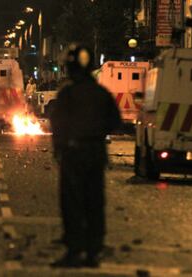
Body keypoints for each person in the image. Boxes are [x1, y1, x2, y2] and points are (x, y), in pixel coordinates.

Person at [49, 44, 122, 268]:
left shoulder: (68, 94)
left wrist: (60, 149)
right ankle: (93, 250)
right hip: (96, 153)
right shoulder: (102, 94)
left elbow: (58, 124)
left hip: (74, 154)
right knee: (94, 201)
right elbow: (115, 122)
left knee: (73, 202)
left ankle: (74, 250)